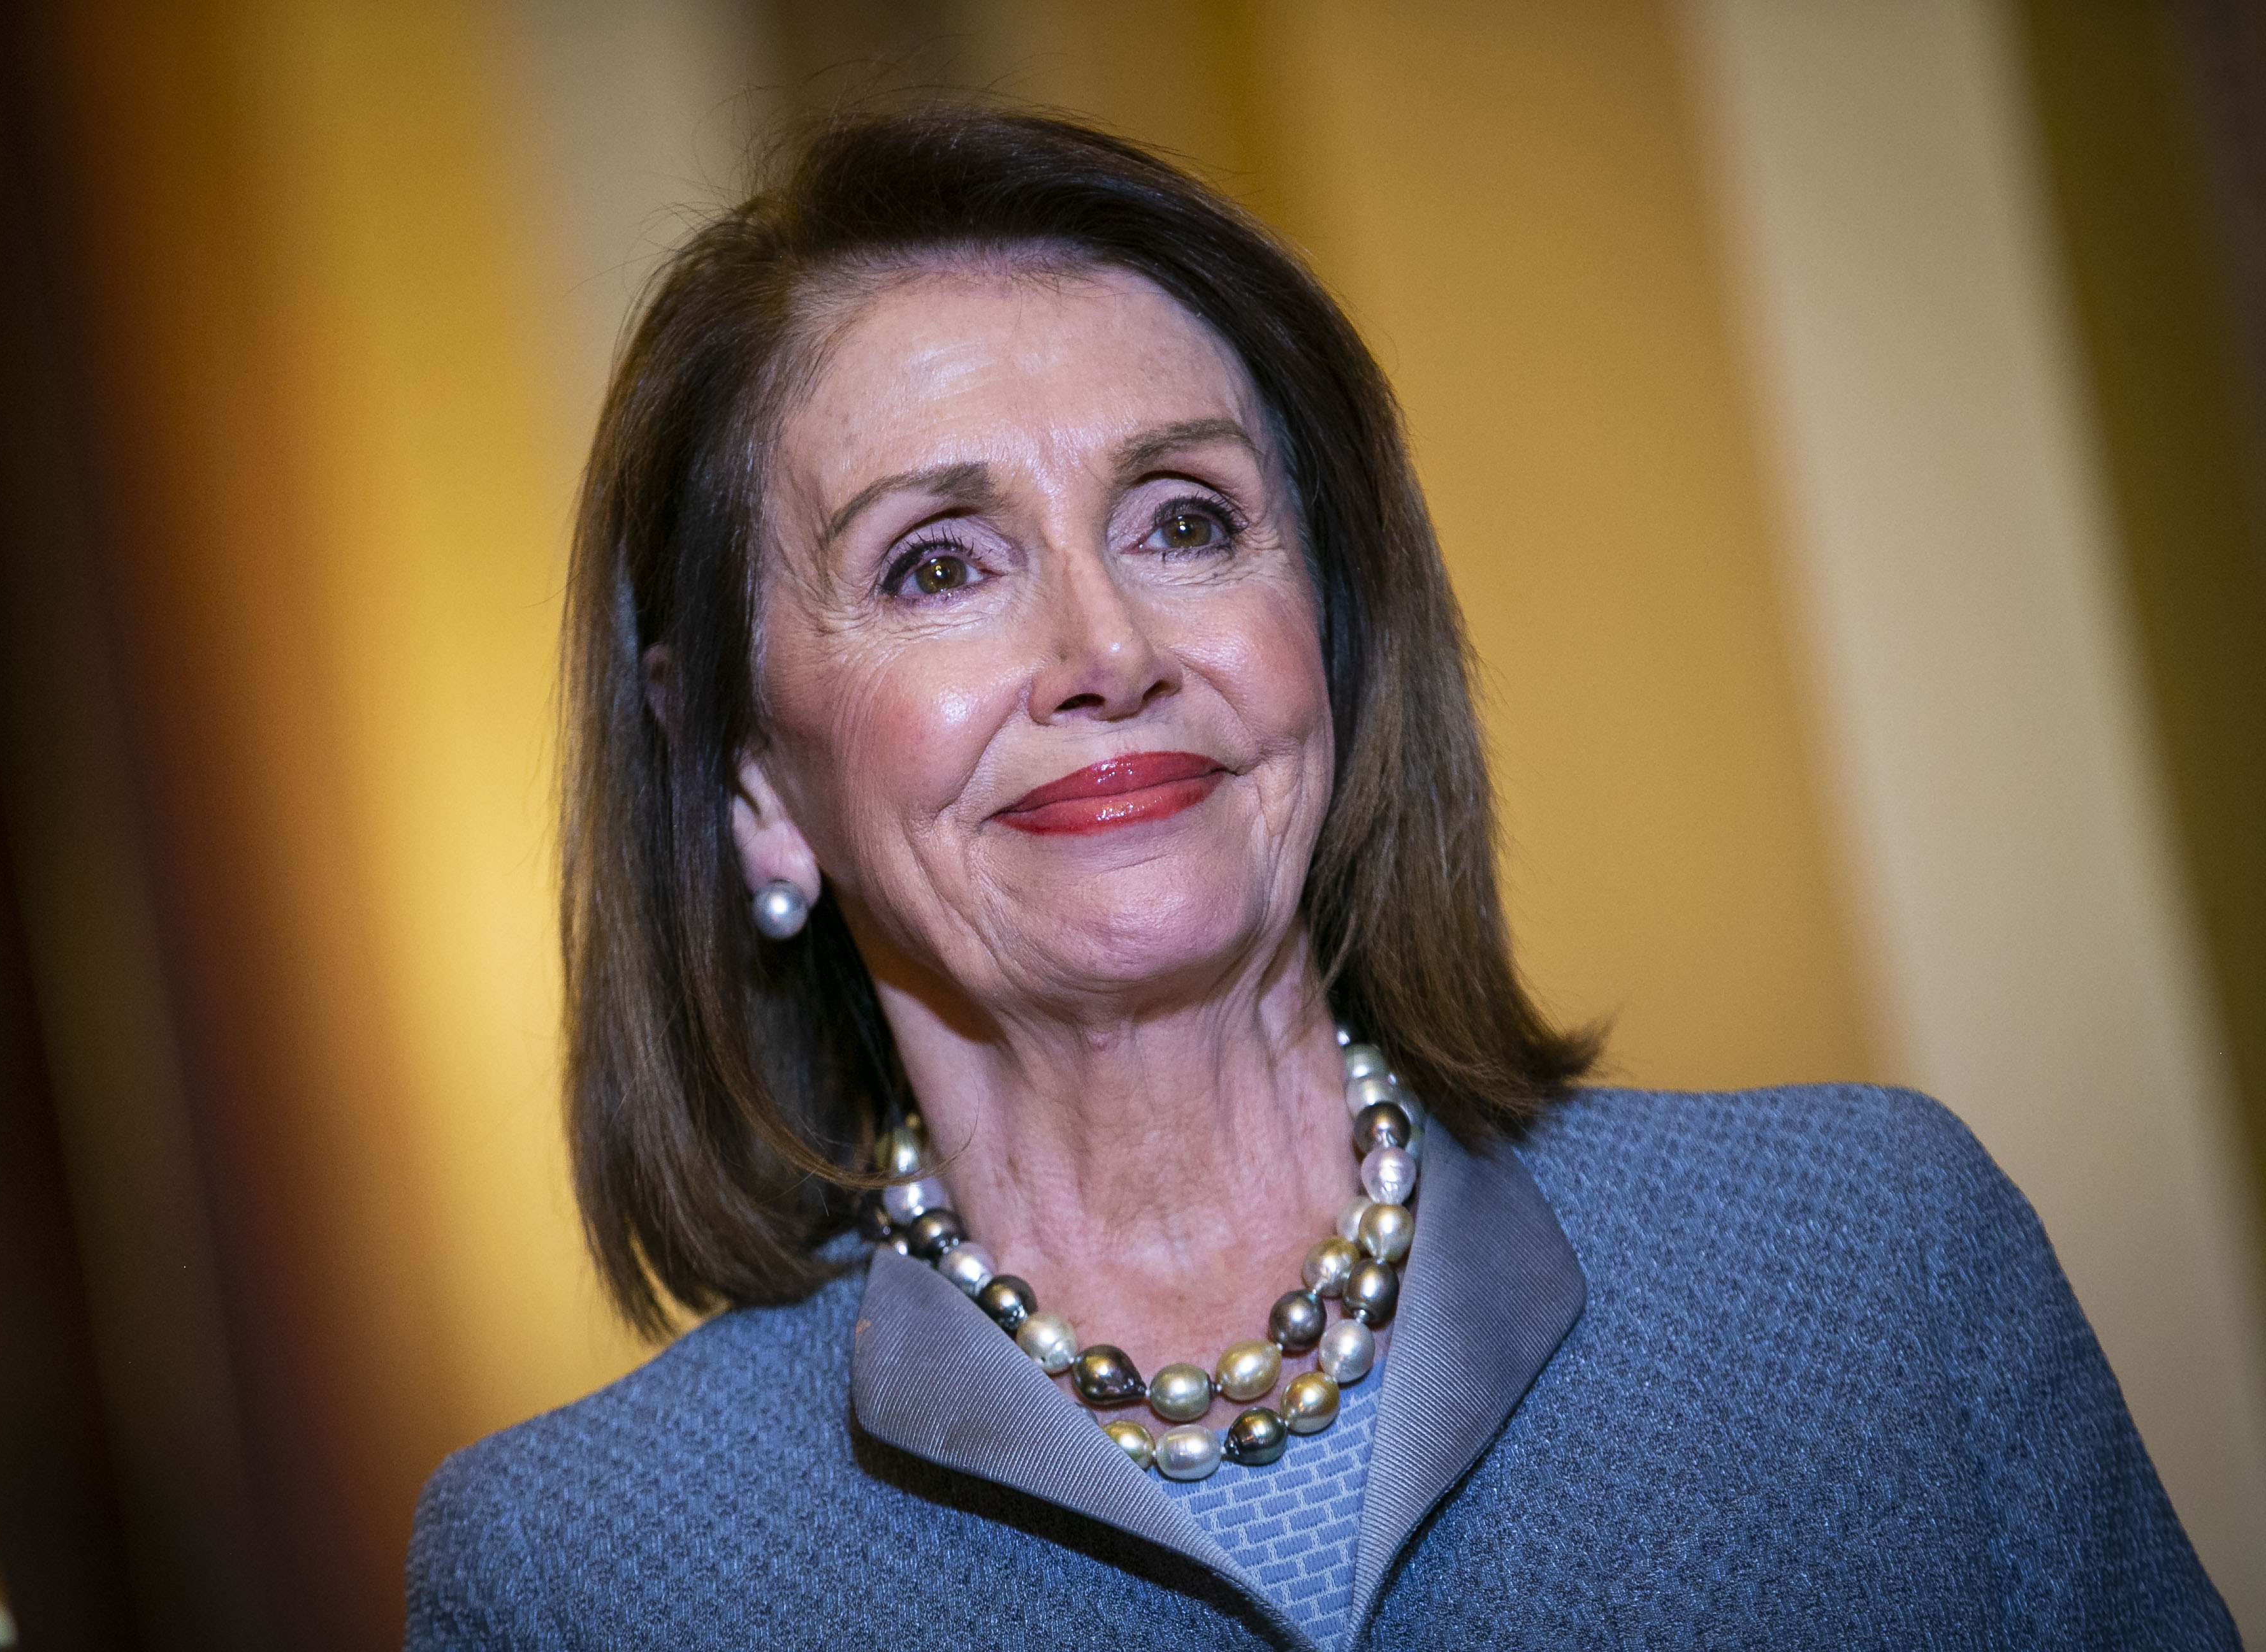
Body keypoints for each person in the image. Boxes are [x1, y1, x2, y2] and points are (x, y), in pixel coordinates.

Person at [405, 108, 2233, 1649]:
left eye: (1186, 520)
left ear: (1332, 647)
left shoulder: (1876, 1269)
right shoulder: (583, 1573)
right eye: (937, 566)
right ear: (746, 775)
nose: (1106, 644)